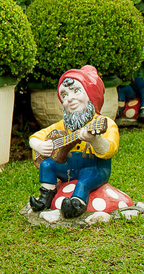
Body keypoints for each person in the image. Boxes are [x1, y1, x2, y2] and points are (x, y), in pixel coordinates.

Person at [28, 65, 120, 218]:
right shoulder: (63, 125)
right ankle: (45, 198)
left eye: (76, 91)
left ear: (91, 95)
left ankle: (77, 204)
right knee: (47, 164)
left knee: (87, 175)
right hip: (69, 168)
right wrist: (39, 145)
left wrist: (95, 140)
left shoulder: (104, 123)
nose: (69, 99)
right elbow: (36, 136)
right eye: (64, 95)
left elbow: (110, 149)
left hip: (95, 167)